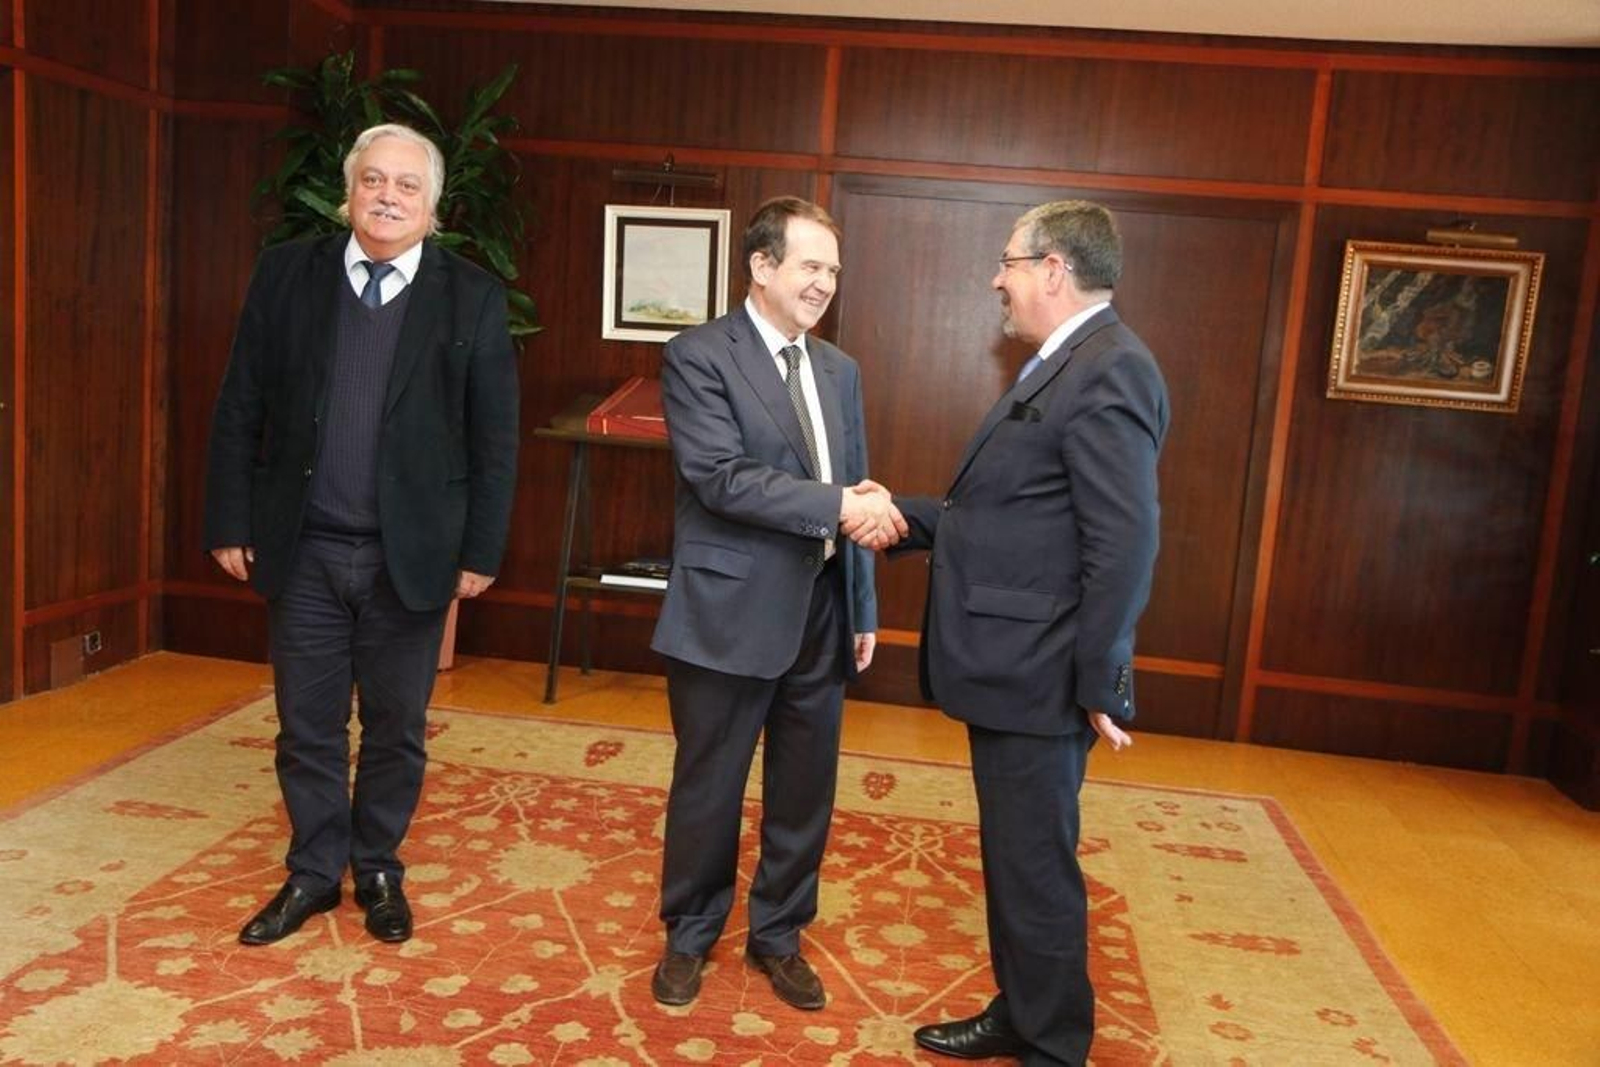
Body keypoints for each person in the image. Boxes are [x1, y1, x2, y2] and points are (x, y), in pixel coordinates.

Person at [204, 123, 520, 947]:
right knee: (305, 726)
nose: (387, 196)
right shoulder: (286, 274)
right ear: (348, 194)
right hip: (304, 545)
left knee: (395, 727)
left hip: (408, 556)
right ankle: (314, 870)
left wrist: (481, 551)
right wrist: (230, 519)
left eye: (406, 185)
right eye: (373, 180)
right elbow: (240, 403)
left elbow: (495, 439)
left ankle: (377, 865)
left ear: (432, 206)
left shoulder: (472, 296)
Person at [883, 200, 1168, 1064]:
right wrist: (899, 515)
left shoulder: (1111, 368)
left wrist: (1099, 678)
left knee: (1036, 868)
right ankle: (1024, 1012)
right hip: (1016, 665)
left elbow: (1124, 543)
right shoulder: (1066, 362)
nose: (994, 279)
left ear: (1052, 269)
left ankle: (1053, 1044)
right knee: (1015, 861)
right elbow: (1010, 517)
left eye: (1007, 262)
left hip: (1041, 674)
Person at [648, 196, 903, 1011]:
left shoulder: (839, 370)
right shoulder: (698, 356)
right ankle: (690, 934)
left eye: (834, 269)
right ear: (761, 266)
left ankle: (780, 934)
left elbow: (855, 486)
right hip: (728, 611)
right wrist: (839, 506)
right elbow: (720, 478)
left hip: (822, 612)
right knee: (710, 785)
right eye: (810, 265)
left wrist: (862, 605)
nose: (824, 282)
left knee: (804, 789)